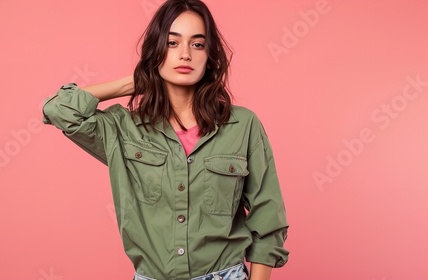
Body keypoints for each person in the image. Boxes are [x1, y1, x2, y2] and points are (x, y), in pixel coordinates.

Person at [42, 0, 289, 279]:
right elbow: (58, 110)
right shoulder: (124, 129)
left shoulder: (242, 125)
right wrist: (133, 82)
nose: (185, 54)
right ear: (156, 52)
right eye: (172, 43)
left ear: (210, 56)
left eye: (197, 44)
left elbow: (269, 220)